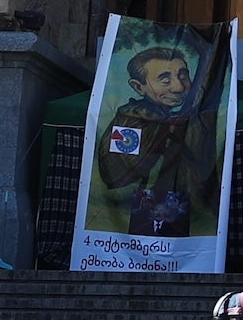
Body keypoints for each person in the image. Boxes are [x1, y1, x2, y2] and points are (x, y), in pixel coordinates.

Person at [95, 38, 223, 240]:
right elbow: (116, 173)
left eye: (183, 75)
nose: (179, 87)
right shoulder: (130, 122)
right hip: (144, 208)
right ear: (138, 87)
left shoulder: (187, 118)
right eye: (165, 80)